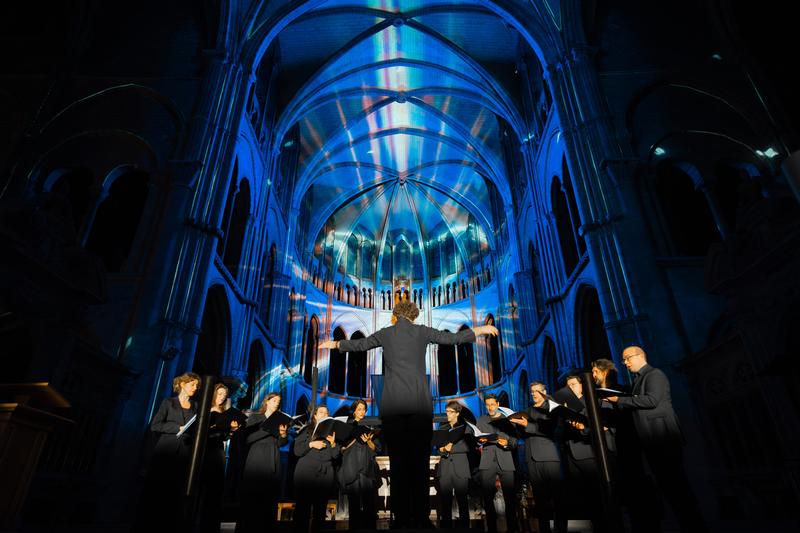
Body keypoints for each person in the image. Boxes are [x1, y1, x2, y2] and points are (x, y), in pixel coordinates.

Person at [320, 300, 498, 528]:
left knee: (399, 466)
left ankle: (401, 520)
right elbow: (452, 339)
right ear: (413, 315)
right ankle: (421, 520)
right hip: (419, 407)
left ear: (396, 315)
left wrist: (335, 344)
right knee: (419, 465)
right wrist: (480, 330)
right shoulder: (422, 331)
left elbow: (360, 345)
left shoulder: (386, 333)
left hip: (393, 408)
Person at [605, 346, 708, 533]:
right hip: (651, 439)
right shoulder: (638, 380)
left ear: (640, 356)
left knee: (678, 488)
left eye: (627, 359)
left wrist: (619, 401)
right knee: (669, 488)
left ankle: (695, 526)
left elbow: (651, 400)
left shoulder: (654, 374)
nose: (625, 363)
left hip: (663, 437)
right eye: (624, 360)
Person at [134, 372, 200, 532]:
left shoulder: (196, 406)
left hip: (185, 452)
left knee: (176, 491)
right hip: (166, 450)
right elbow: (155, 425)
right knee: (158, 489)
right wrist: (177, 428)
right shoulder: (169, 402)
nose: (195, 388)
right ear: (183, 384)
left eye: (197, 386)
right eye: (193, 384)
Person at [509, 381, 566, 533]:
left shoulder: (552, 409)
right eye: (532, 391)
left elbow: (551, 430)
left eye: (537, 391)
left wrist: (527, 425)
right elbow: (523, 434)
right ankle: (544, 529)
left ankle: (561, 529)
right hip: (532, 458)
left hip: (549, 457)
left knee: (557, 498)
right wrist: (516, 426)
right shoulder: (527, 410)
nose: (533, 393)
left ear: (544, 391)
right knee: (540, 501)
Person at [235, 392, 289, 533]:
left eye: (279, 401)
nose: (277, 403)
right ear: (267, 402)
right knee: (253, 497)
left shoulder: (280, 419)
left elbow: (280, 443)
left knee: (269, 497)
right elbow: (248, 438)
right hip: (257, 457)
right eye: (274, 400)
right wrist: (268, 429)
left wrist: (283, 434)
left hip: (273, 457)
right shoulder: (256, 417)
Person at [198, 383, 241, 533]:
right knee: (199, 486)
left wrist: (232, 430)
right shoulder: (203, 407)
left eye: (224, 395)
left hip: (217, 451)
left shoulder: (225, 412)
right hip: (203, 450)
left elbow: (224, 436)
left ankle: (209, 525)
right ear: (213, 393)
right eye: (220, 393)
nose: (222, 397)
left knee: (215, 488)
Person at [293, 404, 340, 532]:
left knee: (320, 512)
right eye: (321, 413)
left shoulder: (332, 433)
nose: (324, 415)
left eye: (326, 413)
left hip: (325, 475)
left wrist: (334, 444)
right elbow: (297, 451)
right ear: (315, 416)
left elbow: (335, 455)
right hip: (306, 474)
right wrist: (311, 444)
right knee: (303, 510)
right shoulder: (307, 429)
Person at [476, 393, 519, 533]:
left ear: (498, 404)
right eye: (487, 405)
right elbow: (476, 440)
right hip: (487, 462)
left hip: (505, 459)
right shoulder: (481, 420)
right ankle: (492, 529)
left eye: (492, 404)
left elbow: (515, 441)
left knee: (510, 499)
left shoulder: (508, 420)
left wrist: (507, 443)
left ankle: (513, 529)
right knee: (488, 499)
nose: (490, 407)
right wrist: (479, 441)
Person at [339, 399, 380, 529]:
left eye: (364, 409)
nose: (362, 412)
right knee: (354, 504)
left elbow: (375, 449)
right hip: (352, 468)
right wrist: (353, 437)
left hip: (366, 468)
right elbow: (341, 448)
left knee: (369, 504)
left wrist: (368, 441)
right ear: (354, 411)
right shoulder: (347, 428)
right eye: (359, 409)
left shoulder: (368, 428)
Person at [435, 401, 473, 529]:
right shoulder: (442, 428)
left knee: (462, 501)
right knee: (445, 502)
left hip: (460, 467)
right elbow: (438, 446)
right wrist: (441, 449)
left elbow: (469, 446)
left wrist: (451, 447)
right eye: (446, 411)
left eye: (450, 412)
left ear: (457, 412)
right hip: (445, 468)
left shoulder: (466, 427)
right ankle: (446, 527)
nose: (447, 414)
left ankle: (464, 528)